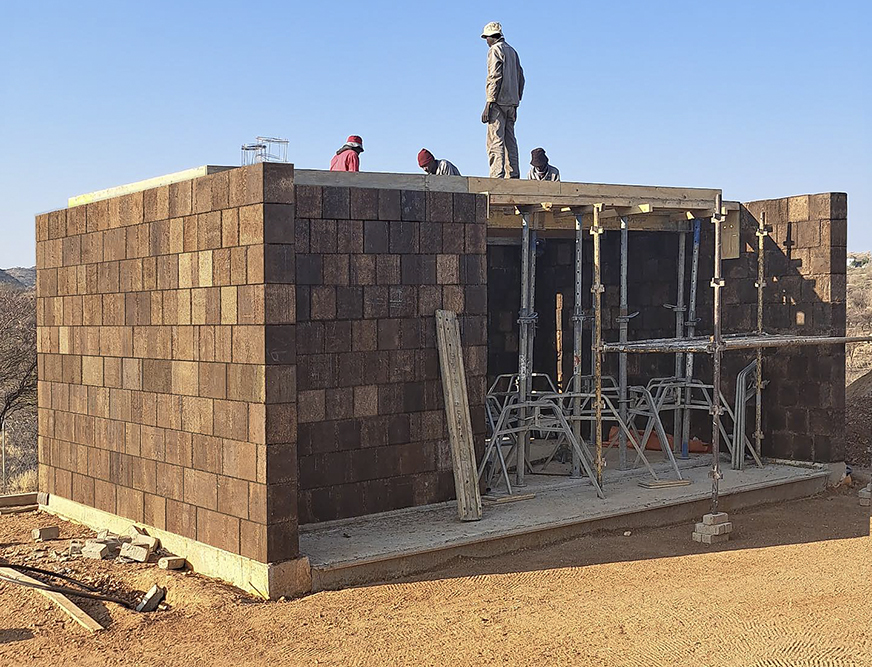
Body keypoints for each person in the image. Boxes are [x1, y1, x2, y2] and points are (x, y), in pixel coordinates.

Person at [481, 22, 524, 179]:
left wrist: (489, 103)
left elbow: (494, 77)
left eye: (487, 38)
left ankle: (497, 176)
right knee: (510, 140)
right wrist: (517, 100)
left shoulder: (495, 50)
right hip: (512, 103)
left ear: (492, 37)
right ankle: (513, 174)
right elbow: (521, 78)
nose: (486, 41)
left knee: (495, 140)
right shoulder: (513, 52)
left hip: (498, 102)